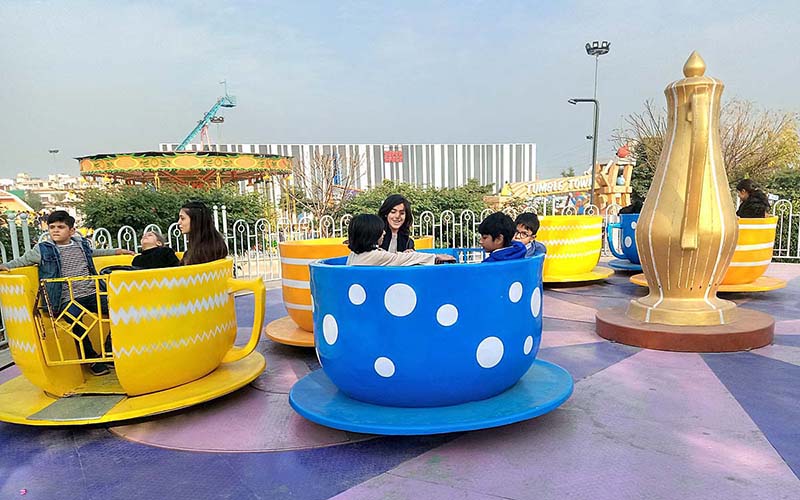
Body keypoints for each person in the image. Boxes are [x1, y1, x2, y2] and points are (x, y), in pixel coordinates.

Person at [0, 210, 134, 375]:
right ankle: (91, 359)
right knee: (77, 324)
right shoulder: (43, 249)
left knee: (120, 312)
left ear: (71, 230)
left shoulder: (80, 244)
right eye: (52, 227)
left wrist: (116, 251)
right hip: (66, 297)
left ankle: (108, 351)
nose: (55, 230)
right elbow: (23, 260)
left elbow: (94, 253)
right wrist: (6, 265)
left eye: (61, 227)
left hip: (91, 292)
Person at [346, 214, 455, 266]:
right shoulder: (373, 256)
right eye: (380, 231)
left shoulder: (355, 254)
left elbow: (392, 257)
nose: (384, 233)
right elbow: (401, 259)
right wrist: (435, 257)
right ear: (371, 234)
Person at [178, 201, 228, 265]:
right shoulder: (214, 244)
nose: (179, 222)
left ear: (196, 220)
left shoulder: (202, 252)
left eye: (182, 218)